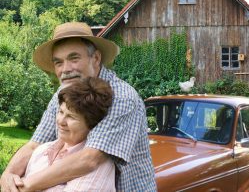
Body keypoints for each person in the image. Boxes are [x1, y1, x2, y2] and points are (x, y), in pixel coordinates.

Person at [1, 22, 156, 192]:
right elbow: (35, 144)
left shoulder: (122, 98)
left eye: (74, 59)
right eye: (58, 62)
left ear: (95, 58)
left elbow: (89, 159)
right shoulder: (64, 92)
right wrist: (8, 175)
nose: (65, 69)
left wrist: (26, 185)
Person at [23, 77, 115, 191]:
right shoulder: (42, 151)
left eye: (71, 117)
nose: (61, 121)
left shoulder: (99, 166)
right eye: (61, 112)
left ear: (91, 124)